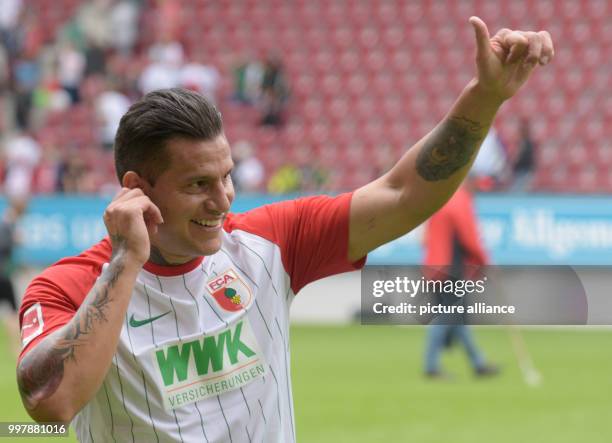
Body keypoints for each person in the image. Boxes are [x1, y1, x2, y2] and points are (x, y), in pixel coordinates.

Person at [16, 17, 553, 442]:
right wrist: (126, 261)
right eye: (198, 184)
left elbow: (403, 192)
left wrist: (485, 97)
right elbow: (50, 405)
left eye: (226, 176)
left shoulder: (270, 242)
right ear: (136, 187)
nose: (223, 199)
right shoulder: (66, 287)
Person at [422, 179, 498, 379]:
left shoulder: (442, 200)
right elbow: (470, 240)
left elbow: (425, 239)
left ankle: (478, 363)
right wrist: (485, 263)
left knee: (456, 318)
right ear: (469, 184)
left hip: (435, 267)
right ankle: (431, 366)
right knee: (448, 317)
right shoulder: (461, 201)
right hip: (450, 269)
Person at [0, 196, 27, 356]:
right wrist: (14, 239)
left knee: (11, 311)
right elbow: (3, 246)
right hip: (2, 275)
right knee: (12, 310)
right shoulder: (6, 224)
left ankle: (15, 346)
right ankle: (16, 347)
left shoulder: (8, 223)